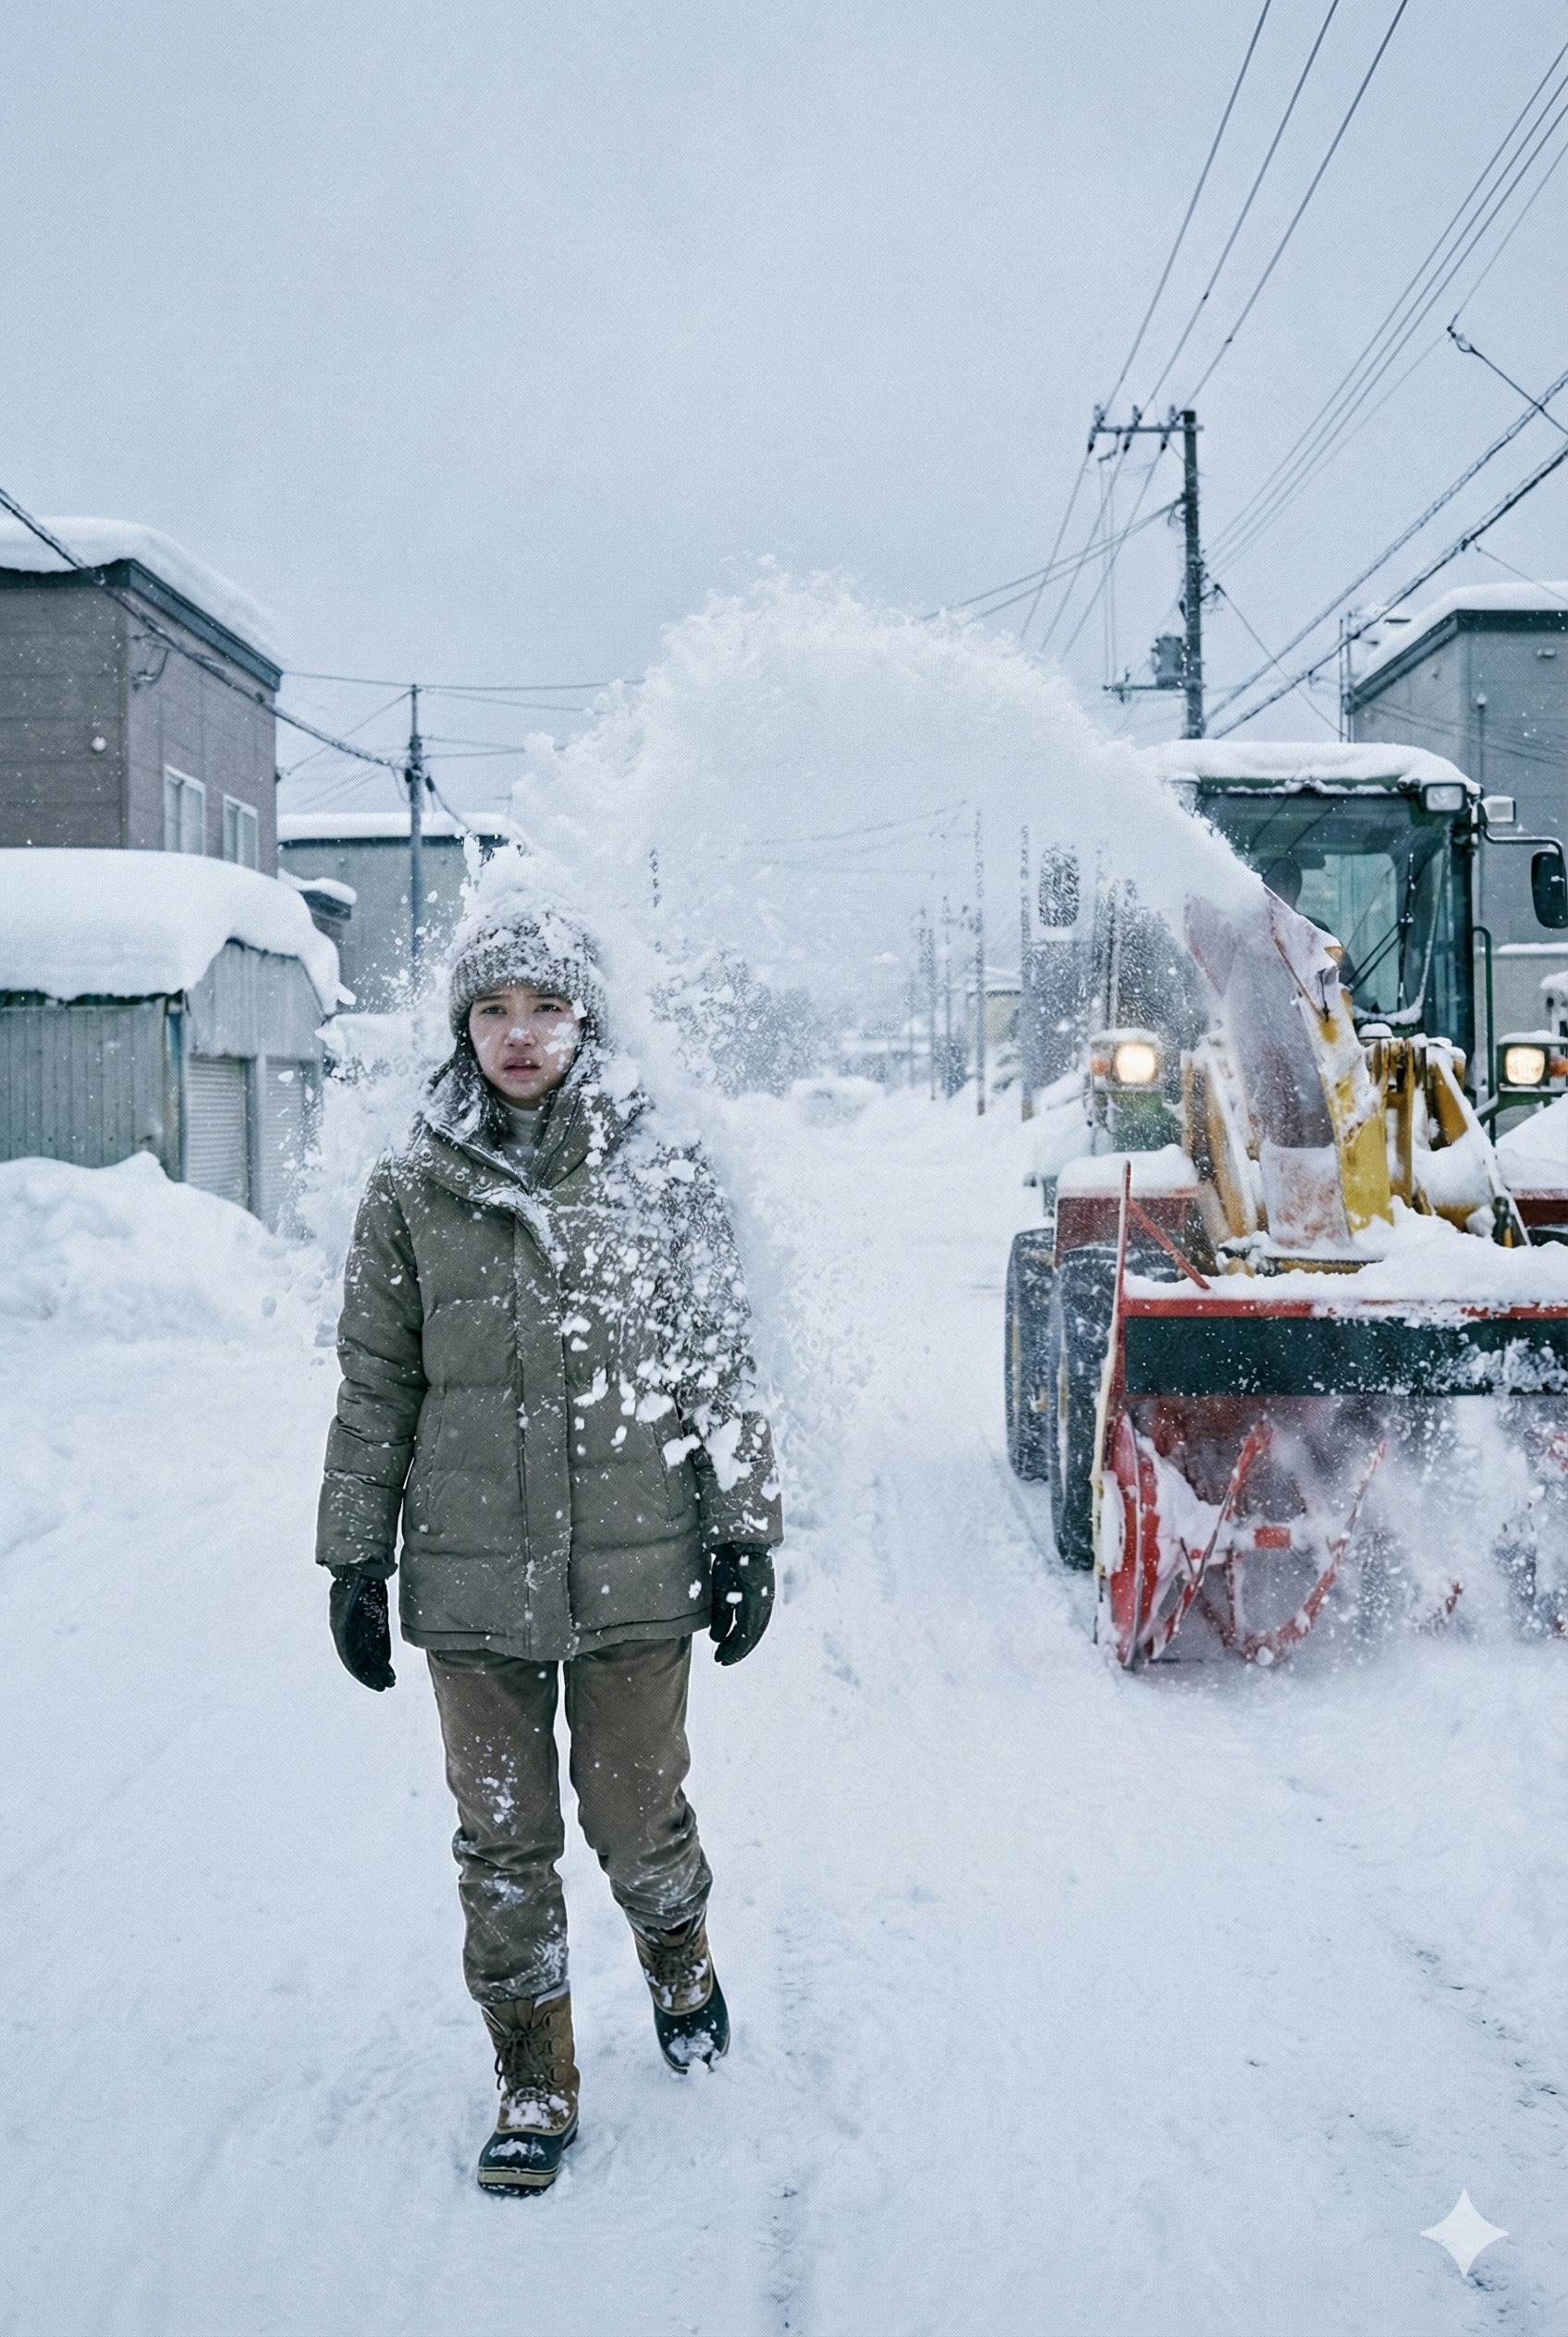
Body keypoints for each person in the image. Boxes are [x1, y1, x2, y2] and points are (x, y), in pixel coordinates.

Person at [315, 877, 782, 2196]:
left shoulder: (662, 1172)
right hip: (469, 1578)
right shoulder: (410, 1184)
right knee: (502, 1838)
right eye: (493, 1011)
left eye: (547, 1008)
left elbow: (720, 1362)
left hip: (637, 1566)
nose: (519, 1034)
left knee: (637, 1818)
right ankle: (533, 2075)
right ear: (461, 1029)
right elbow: (376, 1385)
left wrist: (744, 1529)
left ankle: (679, 1959)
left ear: (589, 1022)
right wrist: (354, 1555)